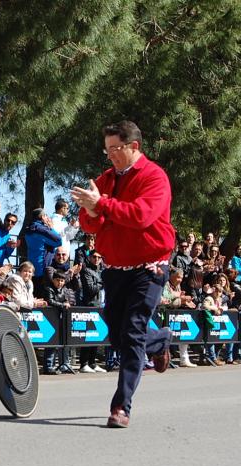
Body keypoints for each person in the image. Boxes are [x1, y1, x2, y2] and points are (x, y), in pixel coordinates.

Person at [71, 120, 174, 429]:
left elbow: (141, 216)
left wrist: (101, 204)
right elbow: (89, 226)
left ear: (134, 147)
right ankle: (159, 341)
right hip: (115, 267)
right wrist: (91, 212)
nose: (111, 155)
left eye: (116, 149)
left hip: (150, 265)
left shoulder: (154, 177)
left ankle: (121, 406)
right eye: (107, 150)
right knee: (117, 334)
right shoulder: (104, 180)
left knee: (131, 333)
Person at [23, 208, 63, 296]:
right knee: (44, 298)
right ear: (42, 217)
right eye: (46, 216)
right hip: (43, 268)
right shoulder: (42, 229)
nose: (48, 218)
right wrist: (51, 228)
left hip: (32, 267)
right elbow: (58, 241)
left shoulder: (28, 229)